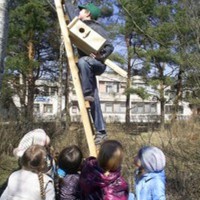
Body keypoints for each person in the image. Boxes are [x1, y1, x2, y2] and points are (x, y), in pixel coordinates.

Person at [65, 2, 114, 145]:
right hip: (86, 67)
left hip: (97, 64)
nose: (79, 13)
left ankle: (88, 93)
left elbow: (110, 46)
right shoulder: (79, 24)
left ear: (88, 14)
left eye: (82, 11)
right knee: (94, 96)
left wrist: (101, 55)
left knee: (83, 61)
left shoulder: (97, 27)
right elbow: (72, 12)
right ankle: (101, 132)